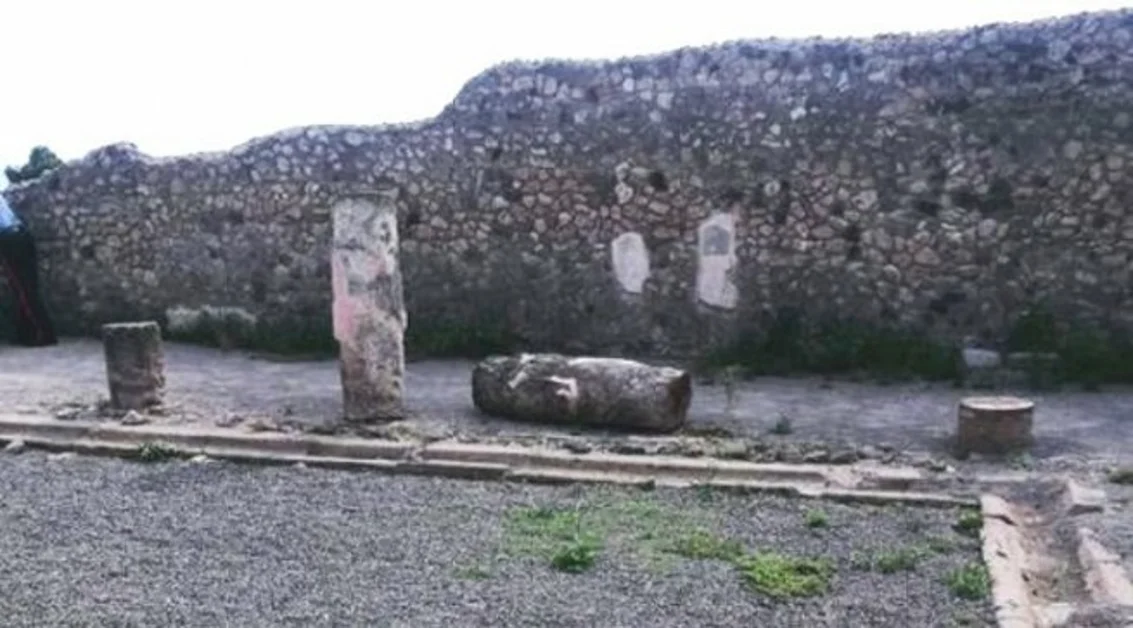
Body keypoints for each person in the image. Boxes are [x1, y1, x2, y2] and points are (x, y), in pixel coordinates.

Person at [0, 195, 57, 346]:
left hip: (9, 240)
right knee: (28, 287)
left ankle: (43, 334)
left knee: (22, 290)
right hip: (21, 233)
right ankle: (28, 332)